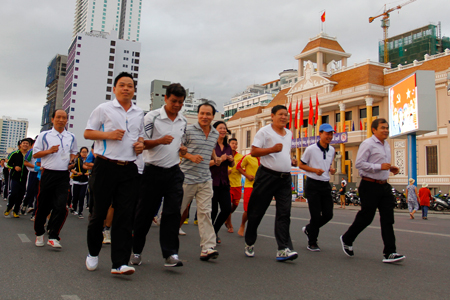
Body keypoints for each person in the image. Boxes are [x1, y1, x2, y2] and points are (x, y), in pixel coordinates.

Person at [84, 72, 144, 275]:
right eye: (122, 85)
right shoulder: (104, 109)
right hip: (105, 166)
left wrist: (140, 145)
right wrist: (108, 135)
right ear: (115, 88)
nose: (126, 88)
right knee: (99, 213)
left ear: (134, 90)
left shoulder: (139, 113)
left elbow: (141, 137)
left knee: (125, 216)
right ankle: (93, 252)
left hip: (129, 168)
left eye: (130, 86)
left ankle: (119, 263)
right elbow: (88, 132)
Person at [131, 83, 188, 267]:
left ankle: (170, 254)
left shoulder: (183, 121)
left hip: (173, 172)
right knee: (144, 214)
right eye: (174, 101)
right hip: (152, 171)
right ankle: (136, 251)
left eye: (180, 102)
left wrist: (182, 149)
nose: (177, 105)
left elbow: (178, 144)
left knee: (172, 214)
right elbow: (142, 144)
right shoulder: (152, 117)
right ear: (165, 98)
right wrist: (160, 141)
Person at [340, 118, 405, 263]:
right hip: (369, 185)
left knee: (388, 219)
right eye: (382, 128)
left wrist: (390, 167)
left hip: (384, 186)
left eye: (387, 128)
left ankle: (390, 252)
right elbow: (359, 164)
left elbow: (381, 164)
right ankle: (347, 238)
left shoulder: (386, 145)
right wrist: (379, 167)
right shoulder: (367, 144)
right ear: (374, 130)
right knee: (366, 217)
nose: (386, 130)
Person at [244, 105, 298, 262]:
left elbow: (284, 152)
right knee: (256, 212)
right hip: (266, 177)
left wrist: (290, 160)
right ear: (272, 116)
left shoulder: (289, 133)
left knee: (284, 213)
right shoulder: (264, 132)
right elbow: (253, 151)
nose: (284, 117)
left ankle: (283, 248)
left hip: (284, 178)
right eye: (280, 114)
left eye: (286, 115)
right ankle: (249, 241)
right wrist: (272, 149)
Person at [179, 102, 220, 261]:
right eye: (202, 113)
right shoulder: (188, 130)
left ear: (213, 116)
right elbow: (178, 148)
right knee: (177, 211)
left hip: (205, 179)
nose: (205, 117)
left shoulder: (215, 133)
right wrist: (190, 156)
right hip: (187, 178)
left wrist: (215, 157)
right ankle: (168, 242)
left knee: (205, 213)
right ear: (198, 114)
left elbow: (210, 147)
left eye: (208, 114)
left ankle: (208, 247)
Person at [33, 110, 78, 248]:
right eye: (58, 117)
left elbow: (74, 153)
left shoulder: (71, 136)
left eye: (64, 118)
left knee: (61, 206)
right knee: (44, 206)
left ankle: (53, 235)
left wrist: (72, 161)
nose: (61, 120)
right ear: (52, 119)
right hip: (48, 174)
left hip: (63, 175)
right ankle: (39, 233)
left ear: (66, 120)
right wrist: (49, 151)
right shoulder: (44, 135)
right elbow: (35, 154)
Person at [299, 123, 336, 252]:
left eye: (331, 134)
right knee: (315, 215)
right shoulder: (311, 149)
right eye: (327, 133)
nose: (330, 136)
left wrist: (331, 169)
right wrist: (314, 170)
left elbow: (327, 163)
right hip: (313, 184)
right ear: (320, 134)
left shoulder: (332, 150)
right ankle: (312, 242)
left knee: (328, 214)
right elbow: (301, 165)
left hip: (325, 184)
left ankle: (309, 229)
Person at [210, 121, 234, 244]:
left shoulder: (228, 146)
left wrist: (231, 159)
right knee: (213, 211)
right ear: (214, 130)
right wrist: (219, 159)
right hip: (211, 182)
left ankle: (214, 231)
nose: (223, 130)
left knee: (226, 209)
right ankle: (209, 236)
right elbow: (204, 163)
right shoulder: (210, 145)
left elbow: (232, 165)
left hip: (224, 182)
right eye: (220, 128)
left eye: (225, 128)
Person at [4, 138, 30, 218]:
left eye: (27, 143)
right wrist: (14, 167)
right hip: (15, 177)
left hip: (25, 178)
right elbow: (8, 164)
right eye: (24, 143)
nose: (25, 145)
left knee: (21, 194)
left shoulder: (30, 155)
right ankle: (9, 207)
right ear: (20, 145)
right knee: (14, 193)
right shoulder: (15, 153)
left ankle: (16, 210)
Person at [236, 153, 260, 237]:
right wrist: (247, 176)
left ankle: (251, 228)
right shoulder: (248, 157)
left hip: (260, 187)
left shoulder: (266, 158)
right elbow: (238, 167)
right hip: (249, 186)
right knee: (248, 209)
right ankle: (242, 224)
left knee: (257, 210)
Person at [225, 138, 243, 233]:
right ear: (229, 144)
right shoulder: (224, 155)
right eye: (232, 143)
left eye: (236, 144)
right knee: (228, 205)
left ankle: (225, 216)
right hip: (227, 184)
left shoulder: (240, 157)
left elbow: (243, 167)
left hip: (237, 184)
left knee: (235, 205)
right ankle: (229, 224)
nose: (234, 145)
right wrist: (225, 172)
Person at [70, 147, 90, 219]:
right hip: (76, 180)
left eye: (85, 152)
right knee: (75, 196)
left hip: (84, 181)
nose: (84, 153)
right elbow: (71, 168)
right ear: (80, 153)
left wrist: (89, 173)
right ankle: (74, 208)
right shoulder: (77, 160)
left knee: (82, 196)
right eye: (83, 152)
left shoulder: (88, 161)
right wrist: (76, 172)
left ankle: (80, 212)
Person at [21, 138, 39, 215]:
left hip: (42, 174)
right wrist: (36, 167)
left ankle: (35, 214)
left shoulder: (45, 152)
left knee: (39, 194)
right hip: (32, 173)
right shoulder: (31, 151)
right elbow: (25, 163)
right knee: (30, 192)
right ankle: (25, 204)